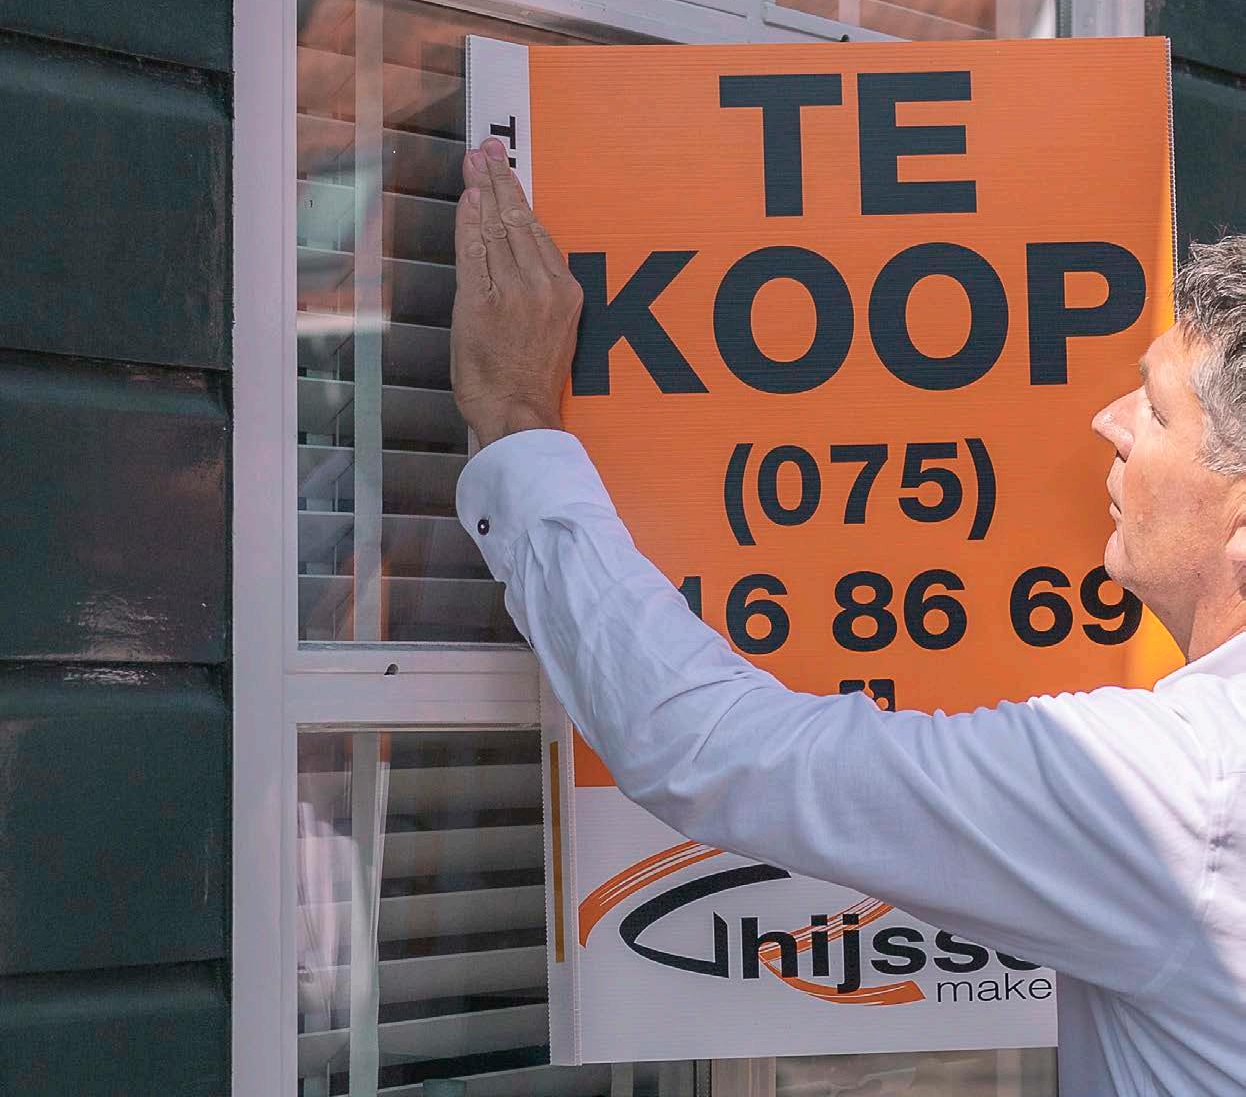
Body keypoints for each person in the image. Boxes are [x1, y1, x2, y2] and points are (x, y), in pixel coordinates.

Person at [450, 135, 1246, 1095]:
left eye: (1156, 412)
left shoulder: (1180, 791)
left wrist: (517, 425)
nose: (1108, 422)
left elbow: (708, 746)